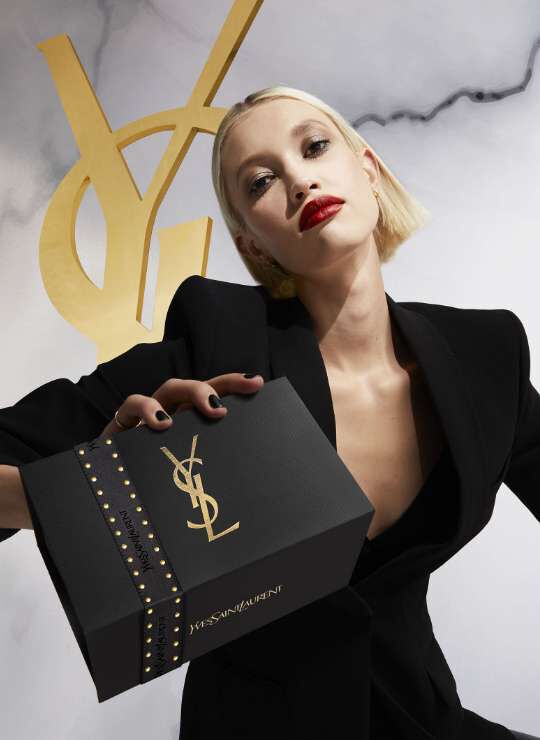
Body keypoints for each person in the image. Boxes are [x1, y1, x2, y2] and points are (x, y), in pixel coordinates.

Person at [0, 86, 538, 740]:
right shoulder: (213, 340)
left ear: (369, 170)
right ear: (252, 245)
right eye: (260, 182)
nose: (299, 181)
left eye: (314, 146)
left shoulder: (485, 353)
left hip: (427, 723)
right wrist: (103, 496)